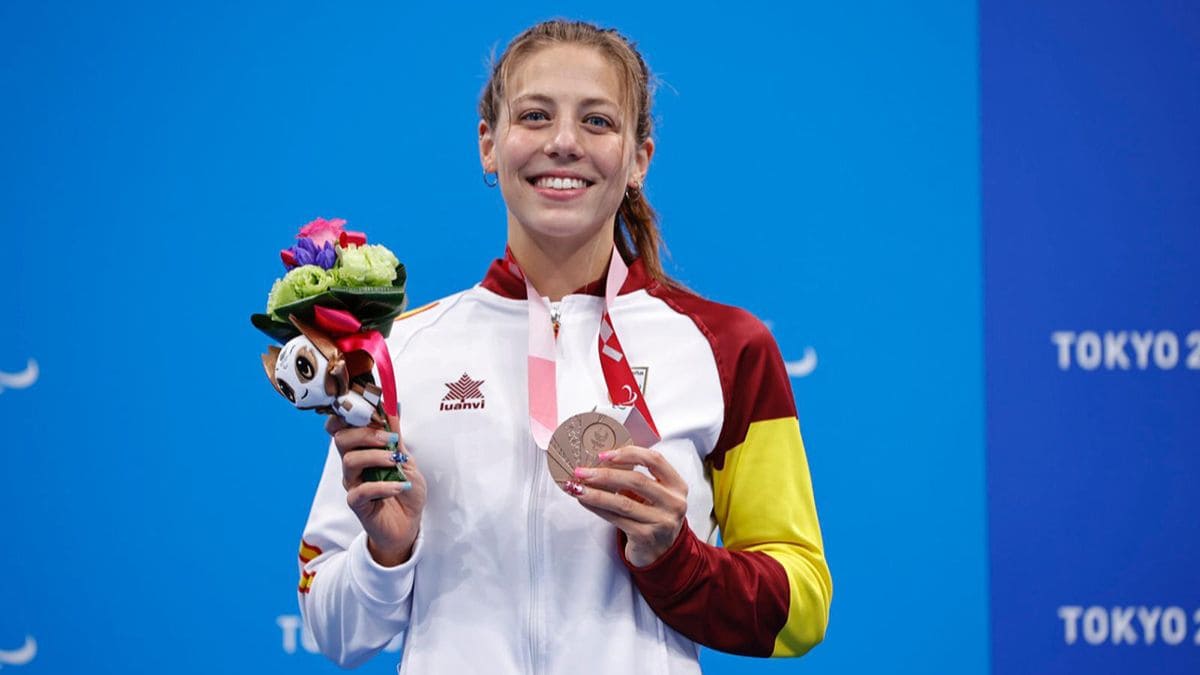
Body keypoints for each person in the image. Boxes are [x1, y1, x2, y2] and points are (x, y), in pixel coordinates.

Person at [295, 19, 832, 674]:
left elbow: (801, 604)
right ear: (489, 145)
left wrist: (675, 555)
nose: (564, 142)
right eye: (535, 115)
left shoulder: (727, 346)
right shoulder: (398, 352)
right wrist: (387, 551)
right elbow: (332, 630)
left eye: (599, 122)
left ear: (640, 158)